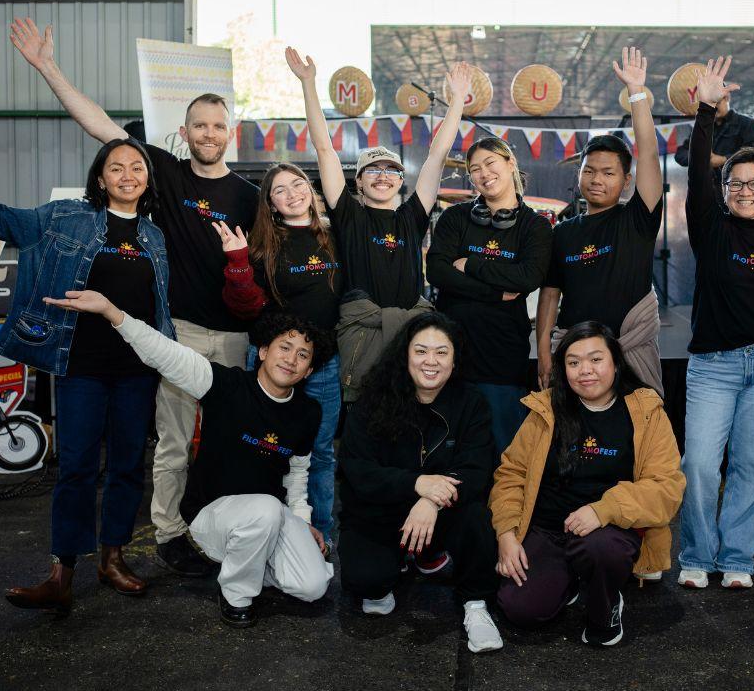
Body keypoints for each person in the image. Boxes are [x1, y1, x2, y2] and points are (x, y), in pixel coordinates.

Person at [11, 17, 258, 576]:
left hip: (238, 337)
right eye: (199, 125)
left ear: (230, 130)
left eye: (218, 125)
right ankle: (168, 532)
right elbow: (100, 124)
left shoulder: (250, 196)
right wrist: (48, 66)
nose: (209, 133)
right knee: (171, 443)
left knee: (231, 441)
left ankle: (222, 529)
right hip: (182, 334)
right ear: (186, 130)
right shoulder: (165, 174)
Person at [0, 138, 172, 613]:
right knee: (78, 466)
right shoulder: (64, 218)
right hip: (79, 364)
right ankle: (61, 572)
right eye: (116, 167)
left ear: (147, 179)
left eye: (137, 168)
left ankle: (112, 559)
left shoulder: (155, 236)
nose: (128, 175)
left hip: (136, 369)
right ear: (100, 178)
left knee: (127, 467)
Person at [45, 291, 335, 628]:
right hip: (212, 516)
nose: (291, 359)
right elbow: (166, 354)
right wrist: (113, 312)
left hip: (268, 516)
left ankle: (252, 563)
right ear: (265, 351)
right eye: (284, 347)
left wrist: (301, 519)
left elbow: (297, 474)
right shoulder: (226, 385)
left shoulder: (307, 412)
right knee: (266, 510)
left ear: (309, 370)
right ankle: (236, 594)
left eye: (303, 355)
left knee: (312, 586)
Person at [673, 57, 754, 591]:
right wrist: (706, 107)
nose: (745, 190)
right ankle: (698, 554)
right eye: (735, 184)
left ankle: (739, 559)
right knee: (700, 464)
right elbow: (697, 163)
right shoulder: (711, 229)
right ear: (723, 190)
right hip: (714, 365)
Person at [285, 49, 471, 400]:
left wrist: (457, 100)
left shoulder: (412, 217)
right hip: (362, 334)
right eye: (373, 169)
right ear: (359, 181)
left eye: (392, 170)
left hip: (410, 334)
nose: (383, 176)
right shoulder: (349, 215)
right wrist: (308, 84)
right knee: (361, 418)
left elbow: (437, 156)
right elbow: (325, 149)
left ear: (402, 180)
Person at [490, 322, 685, 646]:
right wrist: (507, 534)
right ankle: (568, 580)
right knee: (521, 609)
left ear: (615, 363)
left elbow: (667, 486)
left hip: (608, 530)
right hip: (548, 529)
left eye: (596, 360)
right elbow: (511, 474)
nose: (585, 371)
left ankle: (605, 608)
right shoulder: (545, 409)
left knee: (599, 549)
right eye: (573, 362)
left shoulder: (645, 410)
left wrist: (604, 509)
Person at [337, 312, 503, 653]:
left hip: (441, 514)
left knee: (478, 519)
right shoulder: (372, 401)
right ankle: (403, 559)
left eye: (442, 352)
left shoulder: (471, 403)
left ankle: (475, 605)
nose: (431, 361)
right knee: (368, 584)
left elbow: (477, 469)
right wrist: (416, 484)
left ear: (455, 360)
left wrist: (430, 499)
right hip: (381, 515)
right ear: (405, 355)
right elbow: (357, 470)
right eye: (421, 351)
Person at [212, 162, 343, 553]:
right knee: (267, 447)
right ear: (269, 203)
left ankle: (319, 537)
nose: (292, 193)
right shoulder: (261, 245)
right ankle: (263, 534)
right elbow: (244, 306)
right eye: (279, 190)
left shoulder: (333, 237)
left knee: (319, 452)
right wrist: (236, 262)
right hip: (274, 363)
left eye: (297, 184)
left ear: (311, 189)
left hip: (323, 363)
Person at [537, 47, 666, 399]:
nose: (597, 179)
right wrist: (546, 353)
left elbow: (650, 154)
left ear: (626, 181)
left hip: (631, 353)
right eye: (589, 170)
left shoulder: (637, 219)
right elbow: (550, 295)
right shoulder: (562, 232)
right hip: (575, 360)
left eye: (608, 173)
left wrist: (637, 93)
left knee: (636, 444)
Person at [426, 137, 553, 455]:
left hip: (502, 355)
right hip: (451, 352)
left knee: (503, 448)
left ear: (510, 163)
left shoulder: (534, 226)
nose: (483, 173)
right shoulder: (455, 219)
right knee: (450, 447)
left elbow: (528, 277)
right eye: (474, 169)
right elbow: (438, 273)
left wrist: (470, 264)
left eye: (490, 163)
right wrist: (496, 294)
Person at [674, 70, 754, 210]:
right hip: (706, 194)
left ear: (727, 98)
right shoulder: (703, 127)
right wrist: (699, 159)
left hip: (737, 191)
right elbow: (680, 154)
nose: (714, 108)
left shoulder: (746, 123)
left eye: (717, 101)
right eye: (711, 103)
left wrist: (724, 159)